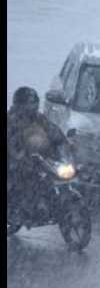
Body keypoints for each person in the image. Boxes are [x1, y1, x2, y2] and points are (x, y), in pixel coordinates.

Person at [7, 86, 69, 220]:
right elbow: (10, 141)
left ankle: (47, 204)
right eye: (29, 103)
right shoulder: (11, 120)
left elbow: (52, 130)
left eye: (34, 102)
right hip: (16, 161)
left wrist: (66, 142)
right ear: (20, 104)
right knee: (26, 178)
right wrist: (18, 155)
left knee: (52, 175)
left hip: (39, 158)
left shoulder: (39, 118)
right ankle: (20, 209)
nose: (33, 106)